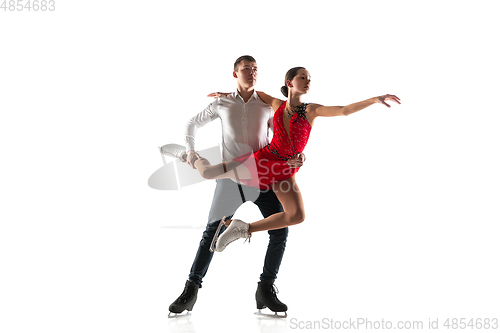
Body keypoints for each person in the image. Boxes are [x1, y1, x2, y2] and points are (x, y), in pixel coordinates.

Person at [163, 66, 401, 254]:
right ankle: (187, 155)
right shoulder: (276, 104)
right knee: (208, 172)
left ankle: (243, 228)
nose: (308, 81)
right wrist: (226, 96)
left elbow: (344, 110)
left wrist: (374, 99)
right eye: (303, 77)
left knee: (296, 216)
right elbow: (252, 94)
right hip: (261, 160)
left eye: (309, 78)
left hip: (285, 169)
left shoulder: (311, 110)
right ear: (290, 83)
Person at [162, 56, 305, 317]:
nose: (251, 73)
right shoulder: (222, 102)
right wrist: (192, 149)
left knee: (280, 231)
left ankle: (266, 288)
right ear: (234, 73)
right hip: (231, 178)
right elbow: (191, 123)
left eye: (255, 69)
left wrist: (297, 155)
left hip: (263, 175)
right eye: (246, 69)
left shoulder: (267, 104)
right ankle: (191, 290)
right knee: (211, 234)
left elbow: (284, 134)